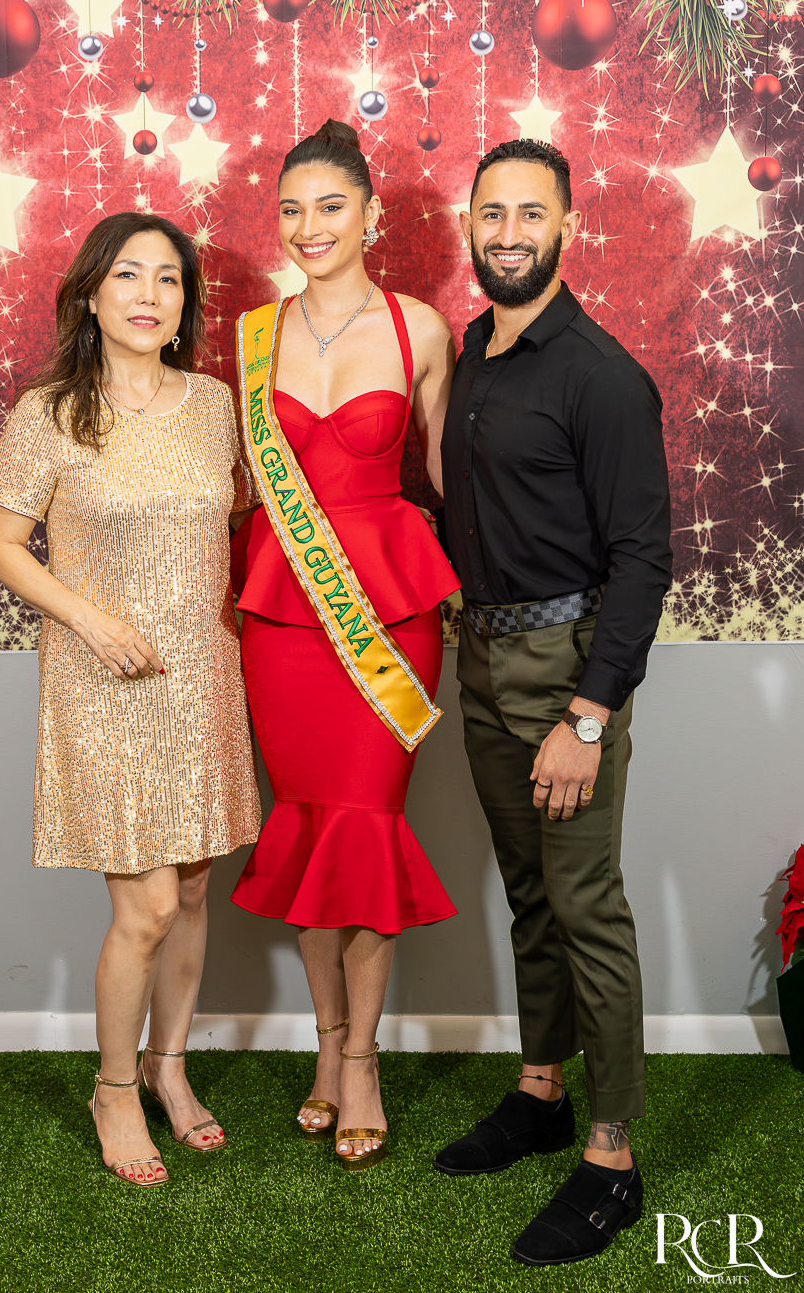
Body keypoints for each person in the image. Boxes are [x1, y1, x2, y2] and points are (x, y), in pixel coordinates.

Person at [0, 213, 260, 1189]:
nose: (149, 295)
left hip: (202, 675)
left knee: (193, 887)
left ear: (186, 303)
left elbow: (237, 520)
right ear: (91, 295)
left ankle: (168, 1068)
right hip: (104, 680)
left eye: (169, 279)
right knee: (145, 907)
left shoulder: (217, 405)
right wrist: (92, 620)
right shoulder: (48, 413)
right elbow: (2, 543)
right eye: (129, 275)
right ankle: (113, 1089)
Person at [431, 140, 672, 1264]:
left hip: (565, 672)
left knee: (586, 908)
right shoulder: (476, 350)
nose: (510, 233)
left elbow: (643, 561)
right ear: (468, 225)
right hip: (480, 660)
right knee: (530, 895)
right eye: (493, 213)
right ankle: (541, 1095)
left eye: (532, 213)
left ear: (568, 226)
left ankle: (613, 1161)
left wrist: (588, 717)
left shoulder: (602, 376)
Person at [229, 120, 461, 1171]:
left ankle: (361, 1060)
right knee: (308, 825)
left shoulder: (421, 329)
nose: (308, 227)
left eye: (329, 206)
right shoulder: (252, 335)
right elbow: (238, 485)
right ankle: (327, 1046)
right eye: (291, 210)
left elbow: (451, 479)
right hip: (284, 615)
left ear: (372, 213)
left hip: (389, 610)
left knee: (364, 826)